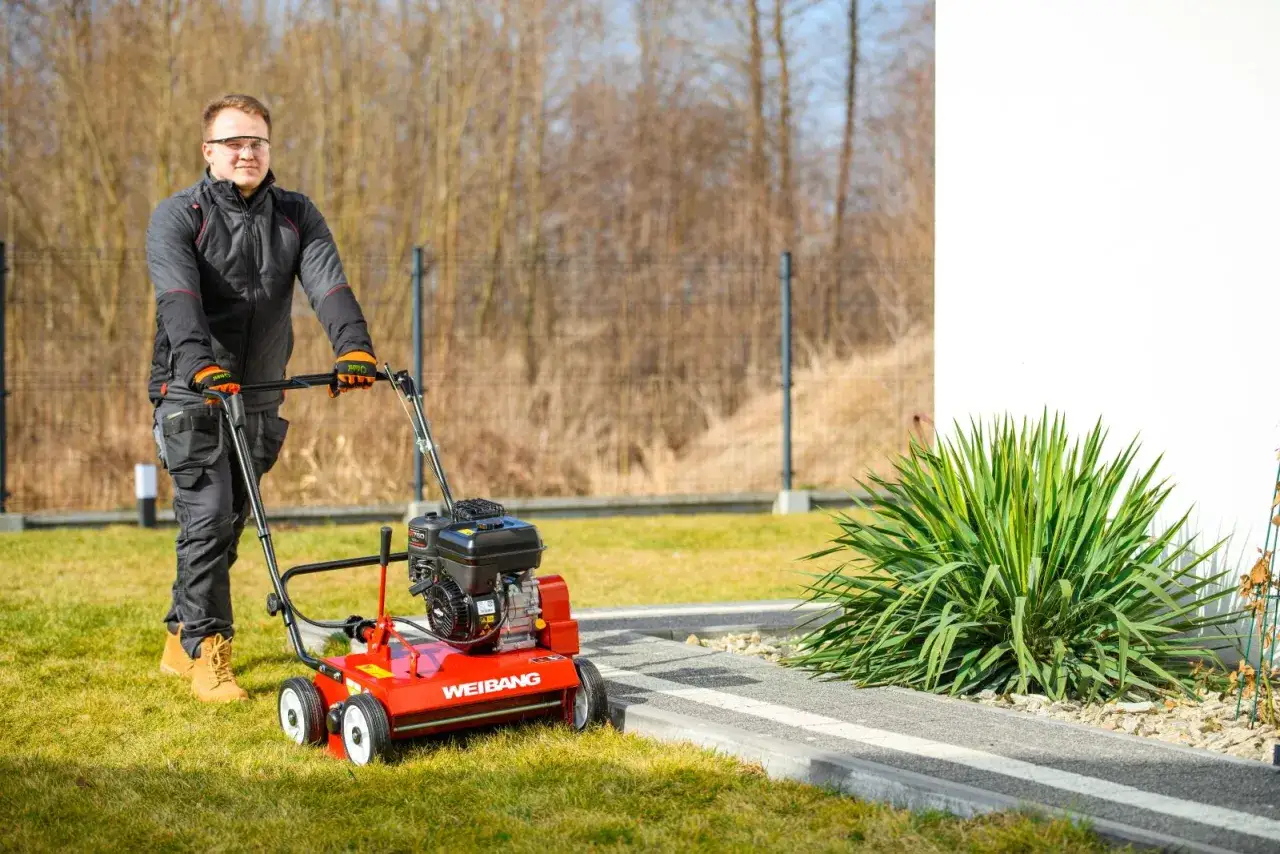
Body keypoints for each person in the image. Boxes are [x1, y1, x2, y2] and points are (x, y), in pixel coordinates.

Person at [147, 94, 377, 702]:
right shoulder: (179, 215)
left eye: (257, 141)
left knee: (227, 526)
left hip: (259, 393)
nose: (246, 151)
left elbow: (328, 282)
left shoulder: (296, 215)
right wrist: (199, 364)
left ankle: (179, 637)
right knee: (207, 516)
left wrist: (353, 345)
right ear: (209, 152)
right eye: (233, 142)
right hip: (190, 391)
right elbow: (178, 299)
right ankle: (208, 651)